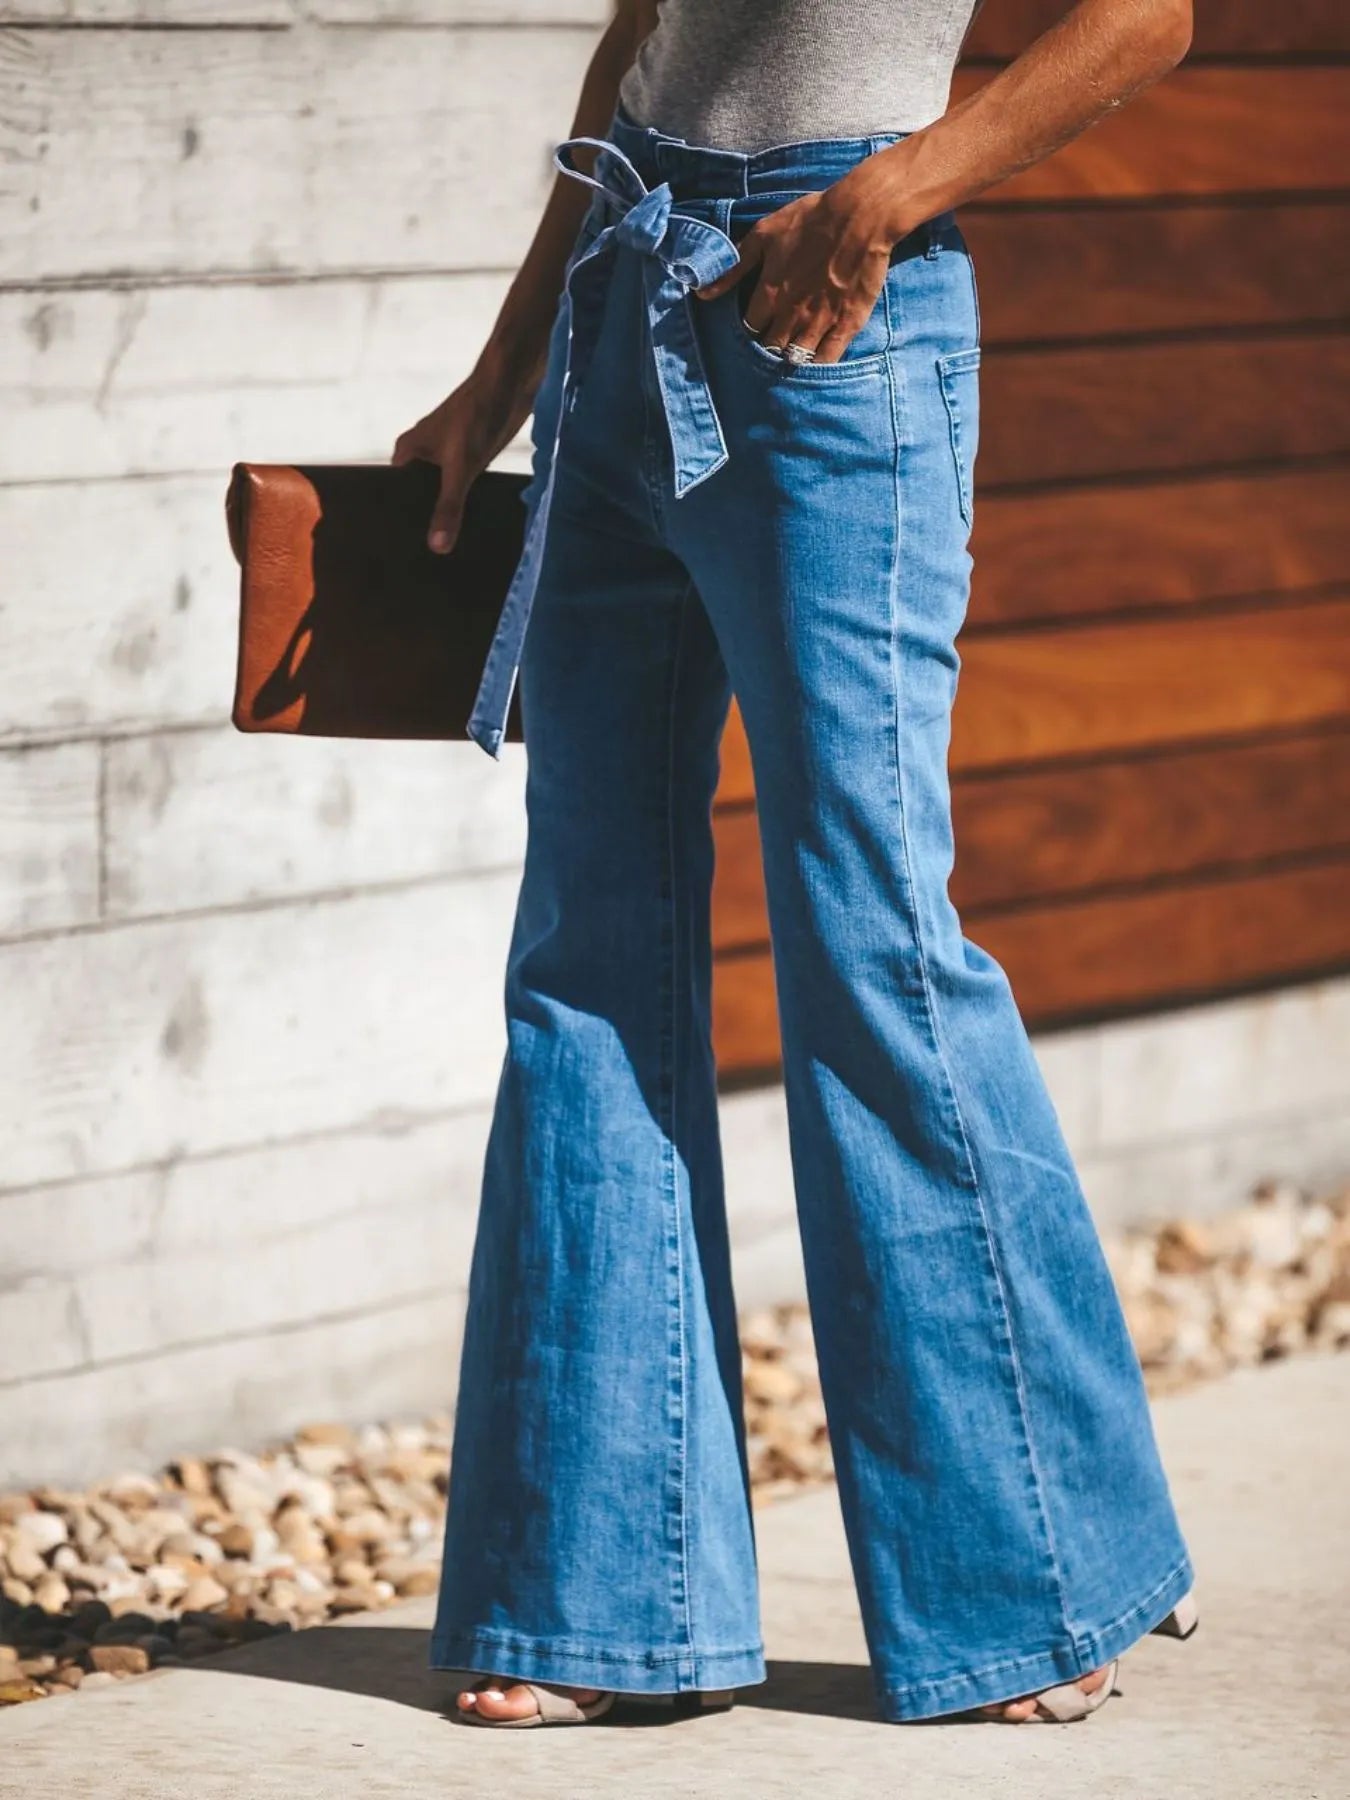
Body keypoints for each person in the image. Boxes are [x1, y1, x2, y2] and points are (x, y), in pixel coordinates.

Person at [393, 0, 1198, 1729]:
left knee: (871, 938)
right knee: (583, 958)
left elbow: (1148, 16)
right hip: (626, 300)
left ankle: (1029, 1580)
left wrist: (896, 190)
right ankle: (589, 1602)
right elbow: (637, 43)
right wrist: (508, 362)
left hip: (836, 312)